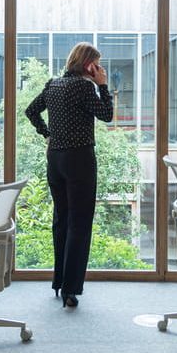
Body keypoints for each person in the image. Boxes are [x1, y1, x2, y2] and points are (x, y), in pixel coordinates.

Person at [25, 42, 112, 309]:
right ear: (89, 65)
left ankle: (59, 281)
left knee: (61, 219)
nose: (99, 69)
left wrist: (47, 133)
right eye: (97, 64)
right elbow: (107, 115)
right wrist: (103, 86)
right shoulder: (85, 87)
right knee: (80, 223)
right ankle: (70, 290)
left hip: (56, 160)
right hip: (80, 160)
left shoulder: (53, 85)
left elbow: (31, 111)